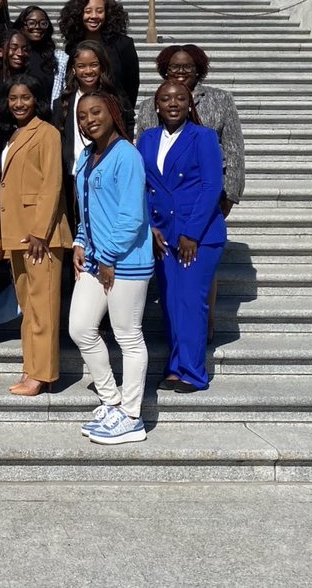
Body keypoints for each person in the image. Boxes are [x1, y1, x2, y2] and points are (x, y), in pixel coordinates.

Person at [136, 43, 245, 341]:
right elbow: (143, 153)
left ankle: (204, 321)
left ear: (199, 69)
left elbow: (234, 149)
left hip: (207, 194)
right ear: (164, 70)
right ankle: (180, 329)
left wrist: (230, 194)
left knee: (199, 270)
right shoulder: (150, 105)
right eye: (174, 67)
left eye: (187, 67)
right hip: (166, 200)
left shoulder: (220, 100)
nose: (181, 72)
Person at [69, 90, 153, 445]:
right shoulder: (87, 157)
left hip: (125, 262)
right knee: (80, 328)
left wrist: (108, 257)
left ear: (113, 112)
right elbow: (87, 208)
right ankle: (111, 399)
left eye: (96, 112)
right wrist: (80, 241)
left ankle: (132, 416)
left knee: (128, 336)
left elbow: (131, 216)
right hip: (94, 259)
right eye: (83, 116)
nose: (90, 120)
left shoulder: (126, 156)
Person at [138, 79, 226, 393]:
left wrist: (190, 232)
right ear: (156, 105)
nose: (172, 103)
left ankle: (193, 371)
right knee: (172, 303)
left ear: (190, 103)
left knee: (190, 301)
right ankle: (175, 367)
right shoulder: (146, 139)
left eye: (179, 98)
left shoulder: (202, 136)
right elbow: (142, 186)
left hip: (197, 236)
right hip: (162, 234)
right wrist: (149, 226)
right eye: (165, 98)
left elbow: (211, 186)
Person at [0, 75, 70, 397]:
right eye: (13, 98)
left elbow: (52, 185)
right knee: (29, 308)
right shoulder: (14, 134)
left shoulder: (47, 133)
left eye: (25, 97)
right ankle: (31, 365)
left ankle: (43, 373)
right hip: (16, 234)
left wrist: (40, 231)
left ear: (35, 100)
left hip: (41, 236)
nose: (19, 103)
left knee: (44, 307)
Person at [52, 40, 132, 229]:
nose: (88, 71)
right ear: (73, 69)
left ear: (102, 66)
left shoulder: (115, 97)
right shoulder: (62, 103)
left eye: (93, 65)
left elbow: (127, 126)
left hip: (107, 176)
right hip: (73, 177)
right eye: (81, 66)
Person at [57, 0, 140, 114]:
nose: (94, 16)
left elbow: (131, 85)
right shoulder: (73, 45)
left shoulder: (123, 44)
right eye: (88, 11)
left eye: (99, 11)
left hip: (116, 114)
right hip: (82, 113)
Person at [13, 5, 69, 103]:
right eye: (31, 23)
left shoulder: (59, 59)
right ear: (22, 26)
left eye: (43, 23)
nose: (37, 27)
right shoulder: (14, 56)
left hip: (48, 116)